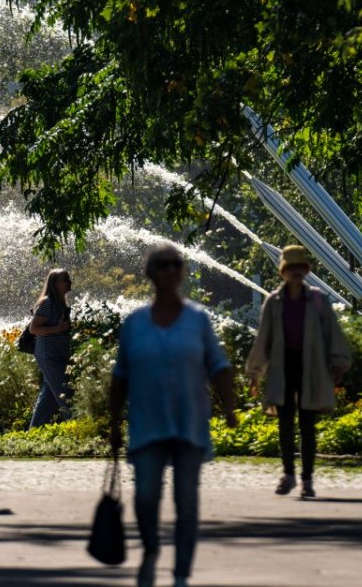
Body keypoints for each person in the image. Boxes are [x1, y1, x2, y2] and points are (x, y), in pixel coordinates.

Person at [109, 245, 237, 587]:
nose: (169, 270)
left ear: (181, 272)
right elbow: (120, 376)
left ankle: (181, 574)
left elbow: (219, 365)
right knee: (146, 495)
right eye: (162, 265)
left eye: (175, 264)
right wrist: (111, 423)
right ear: (151, 273)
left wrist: (230, 409)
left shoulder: (197, 319)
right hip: (146, 422)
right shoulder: (134, 323)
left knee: (187, 501)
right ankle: (151, 550)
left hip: (189, 422)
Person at [246, 244, 352, 499]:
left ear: (305, 270)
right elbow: (264, 339)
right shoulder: (274, 302)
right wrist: (255, 373)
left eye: (299, 267)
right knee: (284, 424)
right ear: (283, 271)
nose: (295, 272)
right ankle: (289, 474)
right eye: (290, 267)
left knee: (307, 424)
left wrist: (337, 363)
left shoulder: (318, 300)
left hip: (311, 367)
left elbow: (332, 334)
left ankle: (306, 479)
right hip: (284, 367)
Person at [28, 268, 74, 429]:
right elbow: (33, 329)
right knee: (65, 393)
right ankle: (78, 428)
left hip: (58, 355)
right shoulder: (47, 303)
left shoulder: (60, 304)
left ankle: (34, 432)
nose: (70, 281)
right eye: (66, 279)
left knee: (48, 398)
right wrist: (58, 329)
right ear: (55, 284)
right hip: (49, 355)